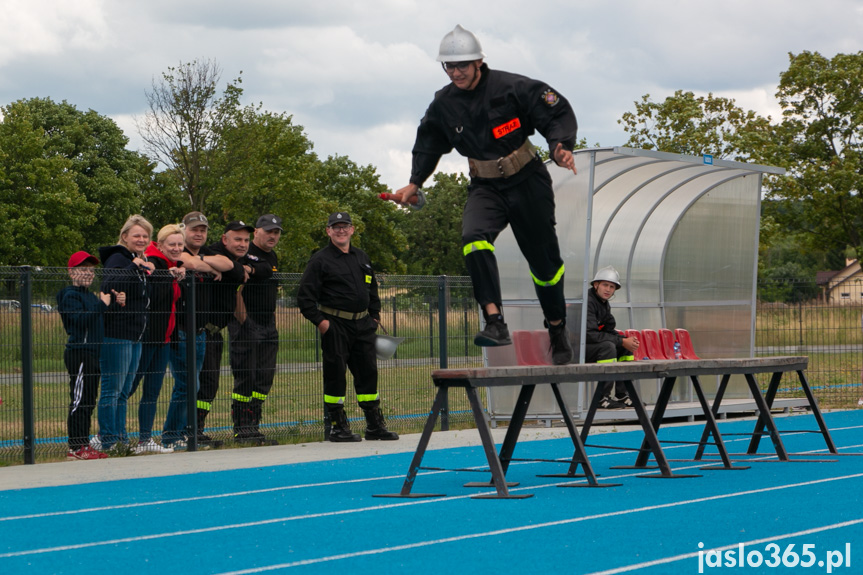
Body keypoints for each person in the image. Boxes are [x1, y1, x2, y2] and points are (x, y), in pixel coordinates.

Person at [395, 24, 577, 365]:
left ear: (479, 61)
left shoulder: (513, 87)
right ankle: (495, 321)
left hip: (528, 181)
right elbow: (428, 141)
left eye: (463, 65)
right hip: (485, 186)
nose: (456, 72)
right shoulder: (444, 104)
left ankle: (556, 326)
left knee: (545, 266)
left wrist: (560, 146)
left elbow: (555, 110)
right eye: (449, 66)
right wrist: (414, 181)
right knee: (473, 238)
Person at [297, 212, 399, 442]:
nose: (341, 231)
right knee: (335, 375)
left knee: (368, 375)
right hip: (335, 326)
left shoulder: (361, 257)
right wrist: (323, 324)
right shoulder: (320, 260)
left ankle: (374, 425)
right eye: (336, 227)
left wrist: (373, 317)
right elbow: (304, 298)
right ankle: (338, 427)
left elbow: (372, 290)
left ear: (352, 230)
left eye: (345, 227)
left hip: (363, 325)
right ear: (328, 231)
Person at [163, 212, 234, 449]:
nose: (199, 233)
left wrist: (207, 262)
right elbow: (190, 262)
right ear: (184, 230)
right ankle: (172, 435)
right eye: (194, 229)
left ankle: (185, 433)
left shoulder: (204, 254)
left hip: (200, 332)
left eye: (203, 230)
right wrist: (210, 267)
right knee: (185, 385)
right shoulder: (178, 254)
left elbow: (229, 264)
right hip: (182, 331)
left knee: (193, 385)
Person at [56, 251, 123, 460]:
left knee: (88, 401)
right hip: (80, 353)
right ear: (71, 272)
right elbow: (80, 321)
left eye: (91, 270)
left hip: (94, 353)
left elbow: (97, 318)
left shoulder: (89, 295)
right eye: (82, 269)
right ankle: (76, 447)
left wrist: (112, 303)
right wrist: (101, 304)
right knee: (79, 401)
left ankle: (84, 444)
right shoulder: (70, 295)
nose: (88, 273)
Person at [125, 225, 186, 453]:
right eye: (172, 244)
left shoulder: (173, 266)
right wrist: (168, 276)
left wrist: (178, 272)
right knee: (127, 389)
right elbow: (152, 295)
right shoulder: (155, 265)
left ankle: (144, 440)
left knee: (152, 392)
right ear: (160, 245)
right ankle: (110, 435)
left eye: (180, 244)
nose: (177, 248)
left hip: (164, 339)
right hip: (147, 337)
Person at [96, 214, 154, 452]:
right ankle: (107, 440)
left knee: (124, 392)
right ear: (125, 236)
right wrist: (133, 266)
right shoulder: (118, 259)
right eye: (137, 235)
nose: (141, 239)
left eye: (145, 236)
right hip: (117, 334)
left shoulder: (139, 260)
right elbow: (110, 282)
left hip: (135, 335)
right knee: (112, 390)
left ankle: (121, 439)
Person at [197, 220, 254, 446]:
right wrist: (241, 270)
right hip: (200, 331)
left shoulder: (239, 260)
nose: (242, 244)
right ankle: (192, 430)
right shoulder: (213, 253)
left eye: (246, 240)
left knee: (210, 383)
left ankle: (196, 429)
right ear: (224, 239)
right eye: (237, 239)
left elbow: (259, 270)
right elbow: (233, 269)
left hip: (215, 331)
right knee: (203, 382)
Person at [228, 214, 282, 444]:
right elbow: (236, 290)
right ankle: (241, 429)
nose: (273, 235)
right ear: (256, 232)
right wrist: (244, 321)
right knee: (245, 377)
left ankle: (254, 425)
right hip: (247, 325)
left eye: (276, 232)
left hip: (268, 323)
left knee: (264, 378)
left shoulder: (272, 257)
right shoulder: (245, 254)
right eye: (268, 231)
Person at [585, 266, 640, 409]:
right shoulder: (588, 302)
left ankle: (622, 394)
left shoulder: (603, 303)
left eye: (612, 286)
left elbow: (607, 331)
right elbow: (589, 334)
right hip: (576, 349)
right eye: (605, 285)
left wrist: (625, 340)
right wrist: (621, 341)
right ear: (596, 285)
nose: (608, 289)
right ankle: (601, 398)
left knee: (625, 347)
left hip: (590, 345)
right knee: (609, 347)